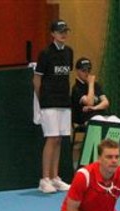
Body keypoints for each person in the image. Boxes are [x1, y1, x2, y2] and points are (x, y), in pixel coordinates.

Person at [33, 19, 74, 194]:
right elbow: (37, 79)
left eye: (65, 31)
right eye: (60, 31)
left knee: (60, 139)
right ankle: (45, 179)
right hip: (49, 102)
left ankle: (55, 178)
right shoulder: (45, 53)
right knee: (51, 138)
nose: (63, 34)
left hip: (64, 101)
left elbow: (66, 77)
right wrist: (41, 101)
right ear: (53, 34)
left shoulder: (69, 52)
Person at [70, 57, 114, 165]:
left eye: (88, 70)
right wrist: (90, 84)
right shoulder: (76, 88)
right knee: (99, 123)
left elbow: (106, 102)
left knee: (118, 123)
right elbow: (89, 101)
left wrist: (95, 108)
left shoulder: (96, 85)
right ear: (77, 71)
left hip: (100, 114)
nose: (87, 73)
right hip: (84, 118)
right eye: (83, 70)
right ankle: (99, 159)